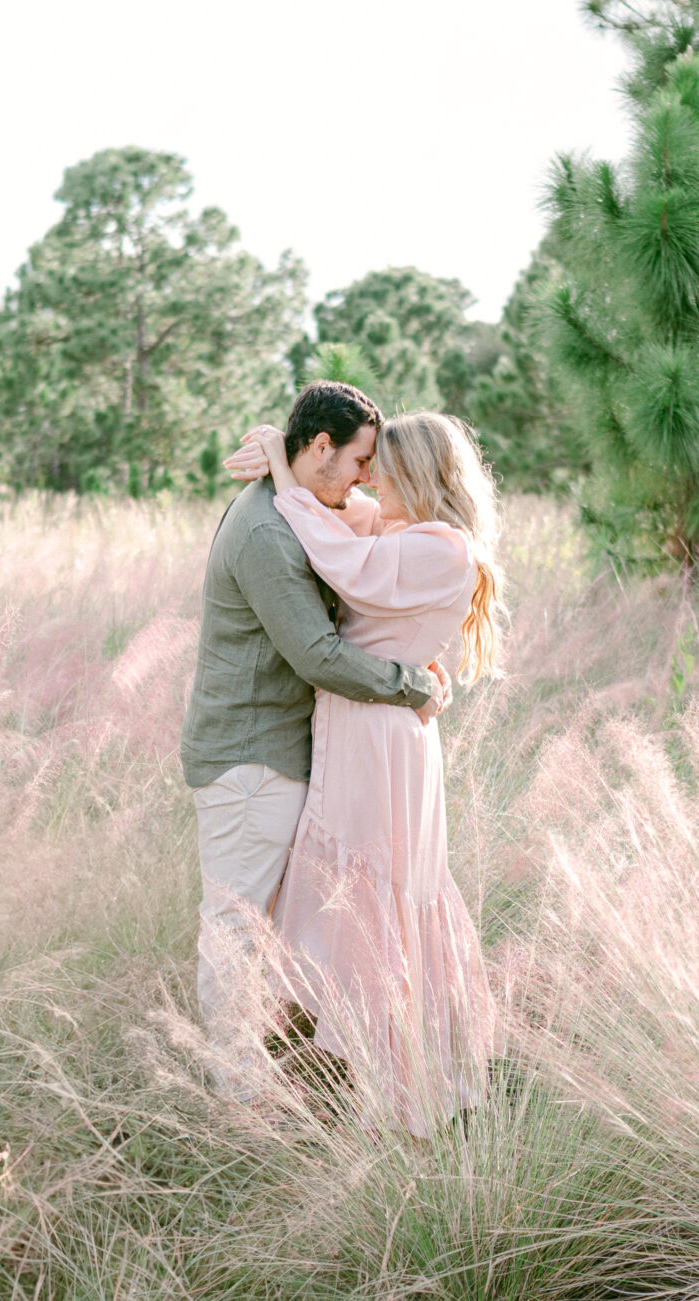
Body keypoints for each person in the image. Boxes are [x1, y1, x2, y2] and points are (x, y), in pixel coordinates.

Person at [226, 410, 504, 1135]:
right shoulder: (406, 531)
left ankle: (396, 1088)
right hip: (362, 723)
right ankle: (338, 1065)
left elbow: (337, 558)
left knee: (370, 890)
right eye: (366, 462)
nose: (370, 477)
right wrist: (282, 457)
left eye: (383, 465)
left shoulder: (441, 547)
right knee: (351, 887)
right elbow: (343, 513)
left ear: (417, 473)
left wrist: (285, 475)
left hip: (381, 734)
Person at [179, 381, 450, 1103]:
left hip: (276, 755)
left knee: (272, 929)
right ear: (320, 447)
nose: (367, 476)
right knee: (236, 924)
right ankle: (236, 1093)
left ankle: (280, 1076)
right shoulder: (268, 529)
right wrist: (409, 683)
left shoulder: (295, 506)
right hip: (248, 759)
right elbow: (317, 654)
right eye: (360, 459)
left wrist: (276, 452)